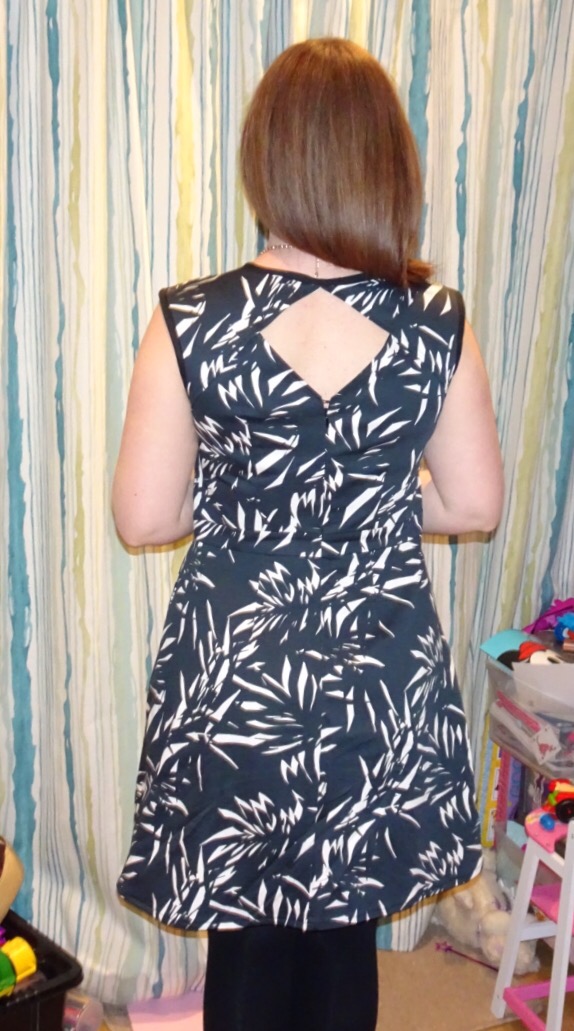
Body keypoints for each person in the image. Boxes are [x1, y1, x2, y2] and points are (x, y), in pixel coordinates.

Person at [113, 37, 504, 1031]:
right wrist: (365, 493)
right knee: (343, 938)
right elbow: (473, 505)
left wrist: (259, 496)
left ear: (268, 161)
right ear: (388, 166)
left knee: (246, 941)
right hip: (376, 678)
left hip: (237, 682)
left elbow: (145, 516)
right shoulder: (434, 321)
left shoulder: (191, 319)